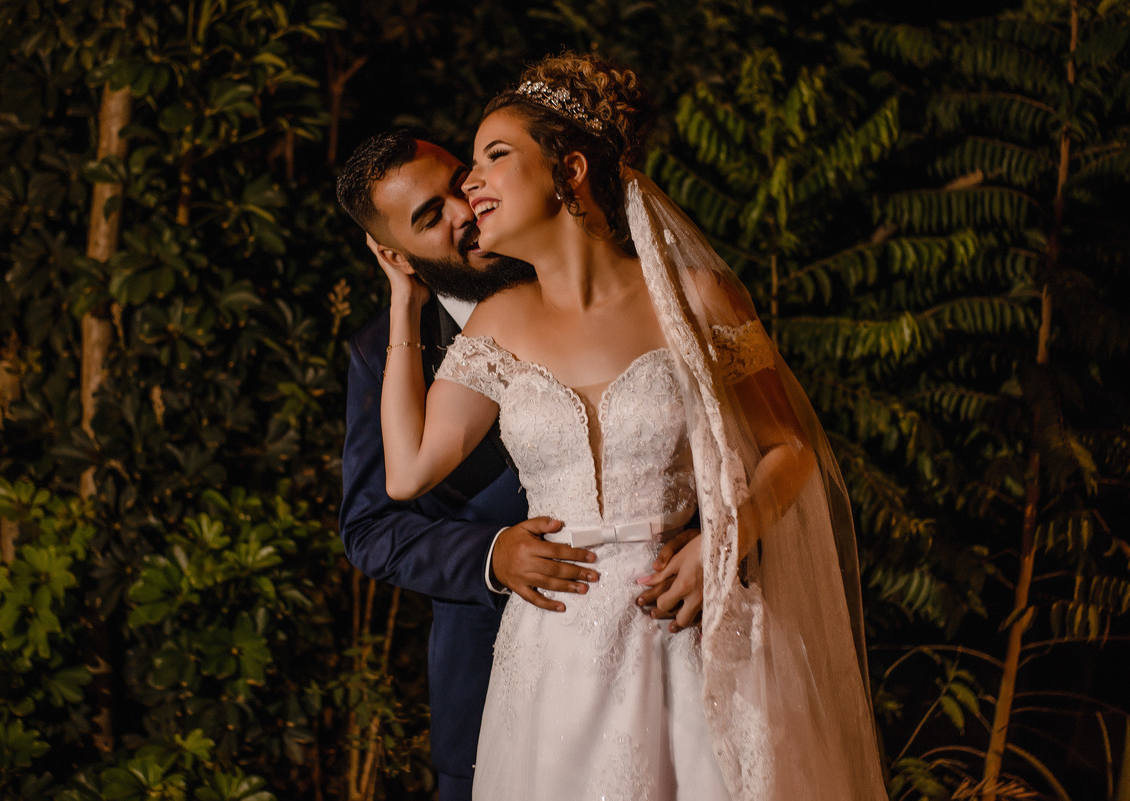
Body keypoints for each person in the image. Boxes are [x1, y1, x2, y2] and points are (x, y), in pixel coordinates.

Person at [378, 54, 888, 799]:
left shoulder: (696, 298)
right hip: (555, 658)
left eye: (494, 156)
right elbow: (407, 472)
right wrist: (405, 302)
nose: (470, 184)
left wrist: (725, 538)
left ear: (570, 169)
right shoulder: (497, 323)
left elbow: (790, 447)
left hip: (688, 631)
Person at [335, 129, 703, 801]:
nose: (463, 211)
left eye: (460, 182)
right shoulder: (383, 352)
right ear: (394, 254)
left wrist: (712, 536)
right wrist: (491, 554)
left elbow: (722, 447)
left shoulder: (624, 285)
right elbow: (372, 525)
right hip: (499, 674)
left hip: (674, 627)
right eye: (430, 217)